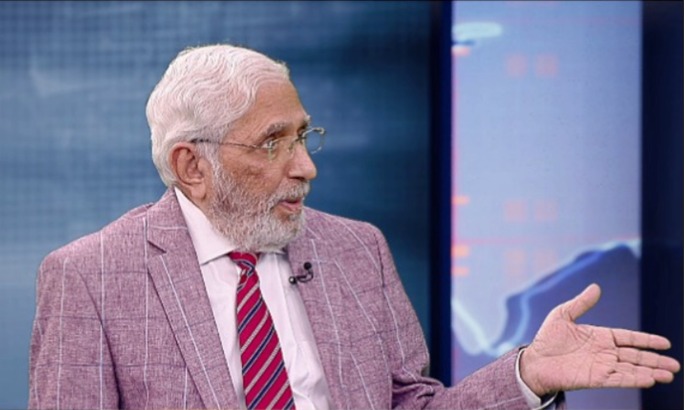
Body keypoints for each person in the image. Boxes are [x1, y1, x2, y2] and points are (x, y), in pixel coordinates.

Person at [28, 44, 680, 410]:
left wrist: (528, 374)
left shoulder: (356, 248)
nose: (306, 166)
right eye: (273, 143)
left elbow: (412, 406)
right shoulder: (92, 277)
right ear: (190, 165)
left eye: (303, 136)